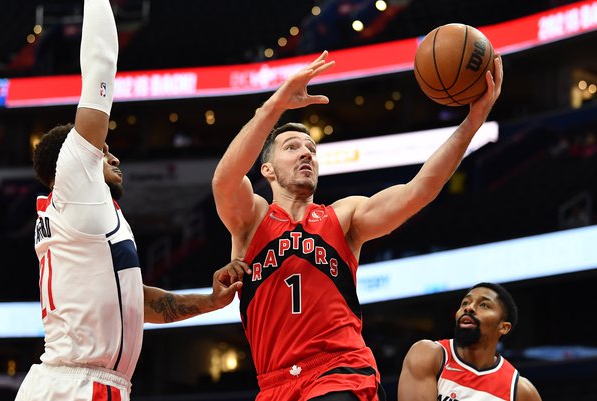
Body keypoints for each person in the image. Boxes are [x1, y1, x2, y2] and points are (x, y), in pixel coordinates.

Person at [15, 0, 246, 401]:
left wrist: (210, 302)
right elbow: (100, 69)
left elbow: (135, 302)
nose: (111, 153)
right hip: (73, 386)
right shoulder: (75, 184)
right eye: (101, 149)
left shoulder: (89, 217)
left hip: (87, 384)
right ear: (76, 160)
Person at [212, 50, 503, 401]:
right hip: (275, 384)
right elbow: (225, 180)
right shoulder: (252, 219)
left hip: (340, 371)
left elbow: (418, 191)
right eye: (292, 147)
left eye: (311, 149)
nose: (306, 153)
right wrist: (275, 105)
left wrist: (473, 121)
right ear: (268, 171)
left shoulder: (344, 216)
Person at [398, 282, 542, 401]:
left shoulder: (520, 391)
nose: (469, 308)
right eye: (465, 303)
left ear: (503, 327)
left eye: (484, 305)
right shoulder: (428, 354)